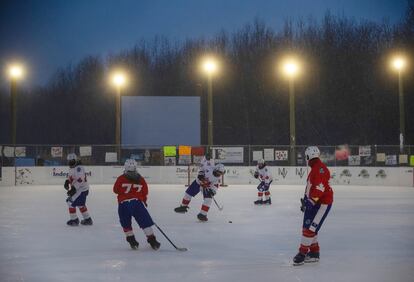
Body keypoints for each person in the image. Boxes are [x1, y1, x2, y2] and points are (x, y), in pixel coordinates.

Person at [293, 146, 333, 265]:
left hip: (322, 204)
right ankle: (314, 253)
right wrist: (306, 201)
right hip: (314, 203)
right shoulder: (316, 168)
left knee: (310, 229)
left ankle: (302, 253)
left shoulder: (320, 169)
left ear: (308, 156)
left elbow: (319, 188)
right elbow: (311, 187)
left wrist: (310, 202)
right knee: (308, 228)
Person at [113, 159, 160, 250]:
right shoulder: (140, 179)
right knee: (145, 221)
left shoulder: (121, 178)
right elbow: (145, 191)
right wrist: (144, 201)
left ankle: (132, 241)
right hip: (137, 203)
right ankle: (153, 241)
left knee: (125, 222)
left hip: (124, 204)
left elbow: (115, 190)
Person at [64, 153, 93, 226]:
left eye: (71, 161)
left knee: (70, 202)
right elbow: (72, 177)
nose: (70, 162)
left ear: (75, 160)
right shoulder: (73, 167)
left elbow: (80, 180)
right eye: (69, 161)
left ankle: (74, 220)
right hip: (81, 189)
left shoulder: (78, 168)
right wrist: (67, 181)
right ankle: (88, 219)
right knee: (80, 204)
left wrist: (73, 188)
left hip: (81, 189)